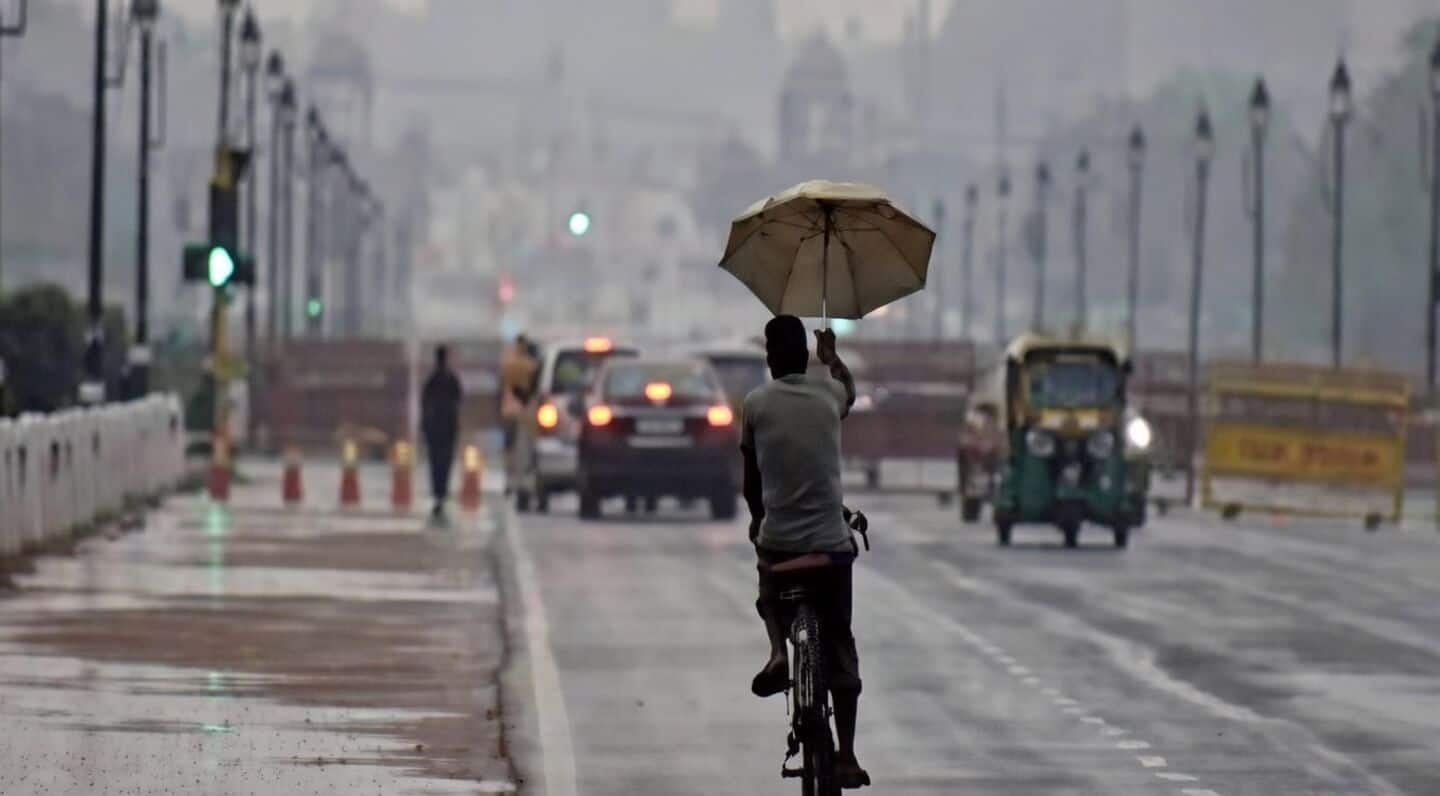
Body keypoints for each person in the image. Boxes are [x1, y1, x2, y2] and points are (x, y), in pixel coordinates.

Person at [741, 314, 869, 789]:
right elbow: (849, 391)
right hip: (831, 551)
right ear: (805, 356)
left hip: (781, 548)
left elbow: (750, 485)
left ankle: (777, 649)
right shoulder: (829, 395)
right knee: (841, 642)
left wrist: (760, 520)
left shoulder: (755, 405)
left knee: (767, 567)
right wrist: (832, 358)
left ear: (772, 359)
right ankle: (849, 755)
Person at [421, 345, 463, 520]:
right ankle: (441, 492)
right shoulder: (451, 379)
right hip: (447, 428)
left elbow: (424, 404)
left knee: (435, 462)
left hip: (435, 429)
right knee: (444, 462)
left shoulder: (431, 381)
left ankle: (438, 493)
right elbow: (459, 400)